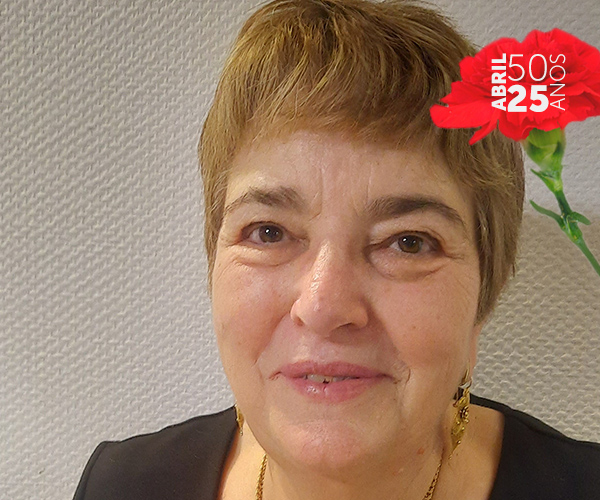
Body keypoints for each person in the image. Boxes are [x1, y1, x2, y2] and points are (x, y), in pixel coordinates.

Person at [73, 0, 600, 499]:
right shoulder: (123, 486)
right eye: (269, 232)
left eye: (408, 243)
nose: (323, 307)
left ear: (484, 294)